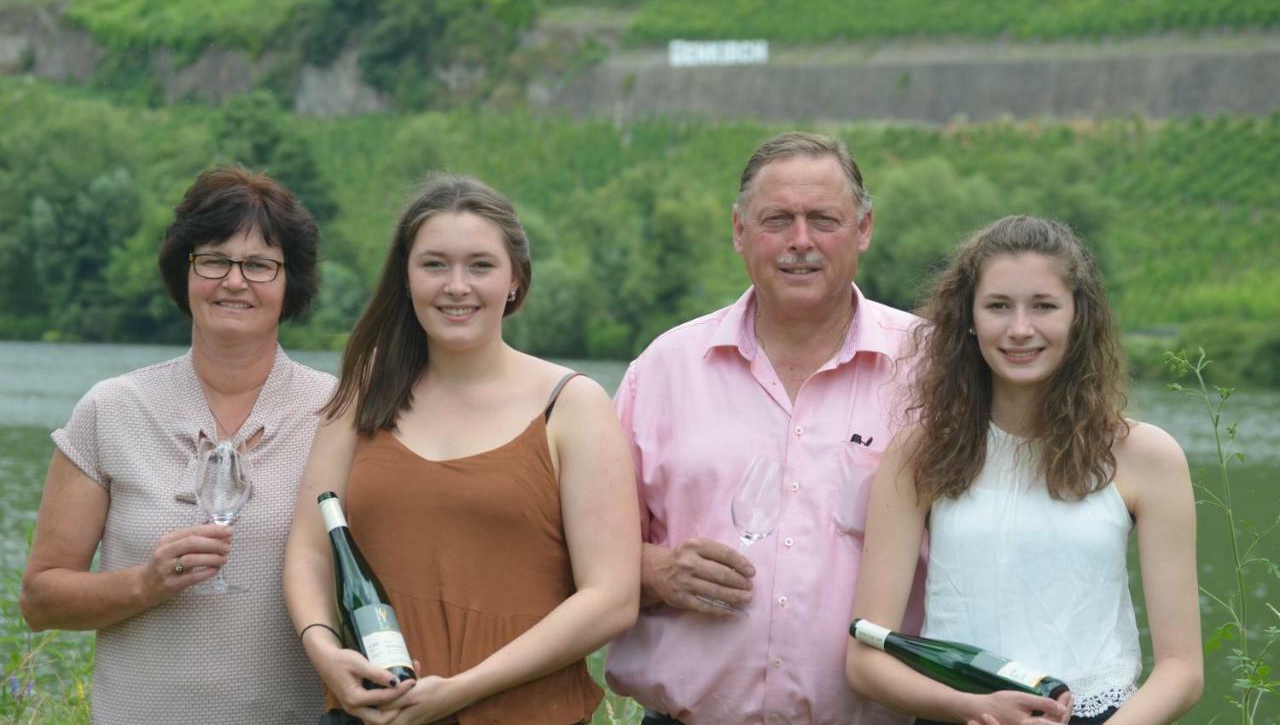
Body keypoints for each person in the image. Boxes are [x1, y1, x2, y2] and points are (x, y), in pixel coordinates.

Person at [283, 173, 639, 725]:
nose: (456, 286)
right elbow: (309, 548)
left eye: (480, 265)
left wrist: (462, 691)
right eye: (433, 264)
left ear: (515, 280)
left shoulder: (573, 405)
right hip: (374, 715)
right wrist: (324, 652)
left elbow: (611, 597)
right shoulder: (364, 391)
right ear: (405, 277)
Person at [605, 132, 926, 725]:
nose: (800, 241)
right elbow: (579, 551)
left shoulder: (932, 371)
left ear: (863, 229)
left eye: (823, 219)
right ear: (738, 231)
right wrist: (656, 572)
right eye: (777, 219)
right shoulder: (663, 370)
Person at [845, 215, 1203, 725]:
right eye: (997, 306)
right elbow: (864, 657)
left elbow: (1182, 669)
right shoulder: (920, 452)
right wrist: (972, 707)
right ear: (968, 318)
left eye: (1043, 306)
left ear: (1079, 316)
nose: (1019, 329)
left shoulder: (1149, 456)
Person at [20, 166, 335, 723]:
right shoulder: (111, 409)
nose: (234, 282)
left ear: (291, 283)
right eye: (213, 259)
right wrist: (145, 583)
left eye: (260, 264)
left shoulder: (339, 414)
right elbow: (41, 601)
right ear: (184, 271)